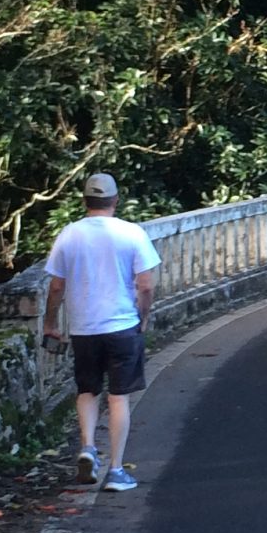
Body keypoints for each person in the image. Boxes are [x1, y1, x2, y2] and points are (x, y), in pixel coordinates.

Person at [42, 173, 161, 491]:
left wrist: (50, 323)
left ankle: (88, 448)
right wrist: (143, 317)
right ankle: (117, 470)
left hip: (84, 328)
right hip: (122, 325)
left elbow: (56, 286)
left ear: (85, 202)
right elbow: (146, 284)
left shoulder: (70, 234)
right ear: (116, 200)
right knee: (119, 397)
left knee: (87, 390)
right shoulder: (131, 233)